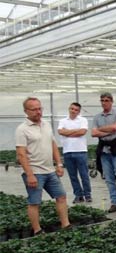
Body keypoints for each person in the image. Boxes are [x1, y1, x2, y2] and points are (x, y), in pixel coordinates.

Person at [16, 97, 71, 235]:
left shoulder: (46, 124)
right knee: (35, 202)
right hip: (34, 172)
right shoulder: (22, 129)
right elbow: (21, 154)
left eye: (39, 108)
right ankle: (37, 230)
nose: (38, 111)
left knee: (61, 196)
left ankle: (66, 225)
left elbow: (53, 145)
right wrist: (29, 174)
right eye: (34, 109)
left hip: (50, 170)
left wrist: (59, 164)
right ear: (26, 111)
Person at [57, 102, 92, 203]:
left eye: (76, 110)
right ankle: (78, 195)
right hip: (67, 151)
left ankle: (87, 194)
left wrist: (67, 132)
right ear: (69, 109)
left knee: (84, 175)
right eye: (72, 109)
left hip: (80, 151)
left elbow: (82, 132)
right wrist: (75, 132)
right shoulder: (63, 120)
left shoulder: (83, 120)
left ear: (79, 111)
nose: (73, 111)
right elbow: (60, 132)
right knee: (73, 176)